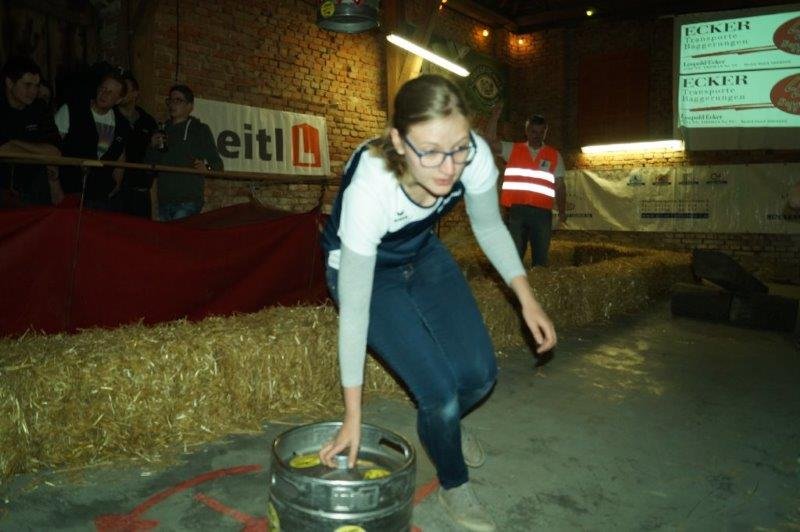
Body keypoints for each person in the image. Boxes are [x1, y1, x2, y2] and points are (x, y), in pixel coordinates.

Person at [319, 75, 557, 532]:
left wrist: (526, 298)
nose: (449, 168)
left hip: (422, 252)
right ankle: (454, 484)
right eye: (430, 151)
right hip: (366, 269)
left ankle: (442, 424)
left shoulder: (474, 156)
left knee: (480, 376)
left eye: (459, 148)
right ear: (398, 142)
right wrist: (353, 415)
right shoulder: (372, 185)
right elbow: (355, 310)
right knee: (440, 394)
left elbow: (488, 226)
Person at [486, 102, 567, 267]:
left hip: (542, 213)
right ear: (527, 131)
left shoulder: (554, 155)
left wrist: (562, 211)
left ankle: (538, 281)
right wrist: (494, 117)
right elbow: (490, 141)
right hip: (517, 212)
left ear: (546, 132)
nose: (537, 135)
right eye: (533, 131)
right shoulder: (513, 149)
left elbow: (560, 186)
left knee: (540, 260)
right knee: (514, 257)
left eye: (541, 132)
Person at [55, 69, 130, 211]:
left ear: (119, 100)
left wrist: (117, 183)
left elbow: (120, 156)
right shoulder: (71, 109)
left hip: (102, 194)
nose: (104, 94)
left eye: (110, 92)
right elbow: (54, 148)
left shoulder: (122, 124)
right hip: (70, 189)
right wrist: (55, 184)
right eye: (103, 88)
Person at [145, 84, 222, 221]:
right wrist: (152, 146)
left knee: (177, 233)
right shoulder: (162, 130)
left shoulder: (200, 129)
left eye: (178, 100)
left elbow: (217, 164)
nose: (172, 104)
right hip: (164, 200)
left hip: (188, 201)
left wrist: (207, 168)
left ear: (190, 106)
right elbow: (150, 166)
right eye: (170, 100)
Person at [0, 56, 63, 207]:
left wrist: (14, 143)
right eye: (27, 85)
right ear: (9, 83)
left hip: (36, 192)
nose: (33, 91)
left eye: (36, 85)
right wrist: (41, 154)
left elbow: (54, 152)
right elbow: (3, 149)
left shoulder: (40, 108)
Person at [117, 72, 158, 218]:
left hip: (140, 189)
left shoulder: (148, 121)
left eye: (125, 89)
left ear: (135, 93)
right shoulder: (111, 116)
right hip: (115, 189)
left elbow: (154, 156)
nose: (120, 93)